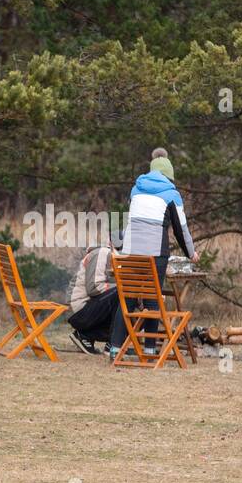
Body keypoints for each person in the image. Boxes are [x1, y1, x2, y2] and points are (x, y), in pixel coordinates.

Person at [109, 148, 198, 357]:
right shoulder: (171, 195)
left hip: (130, 252)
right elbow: (180, 229)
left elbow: (129, 221)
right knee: (152, 299)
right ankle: (149, 349)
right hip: (155, 254)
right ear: (169, 176)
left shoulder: (136, 190)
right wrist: (191, 254)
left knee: (128, 299)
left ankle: (115, 348)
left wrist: (118, 243)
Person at [66, 238, 119, 355]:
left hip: (89, 310)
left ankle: (86, 335)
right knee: (120, 292)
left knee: (131, 300)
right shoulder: (102, 252)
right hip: (79, 312)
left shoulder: (115, 255)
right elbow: (94, 287)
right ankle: (113, 343)